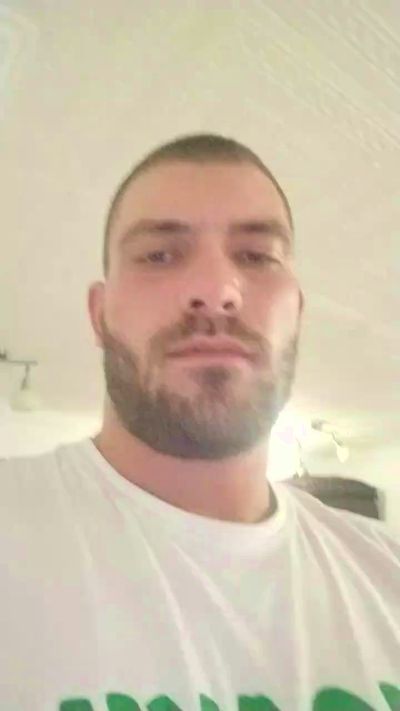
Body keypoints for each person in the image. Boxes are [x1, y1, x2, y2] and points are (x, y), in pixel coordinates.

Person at [1, 134, 399, 711]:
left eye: (256, 256)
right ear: (99, 314)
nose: (216, 291)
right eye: (159, 255)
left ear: (296, 312)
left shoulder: (388, 574)